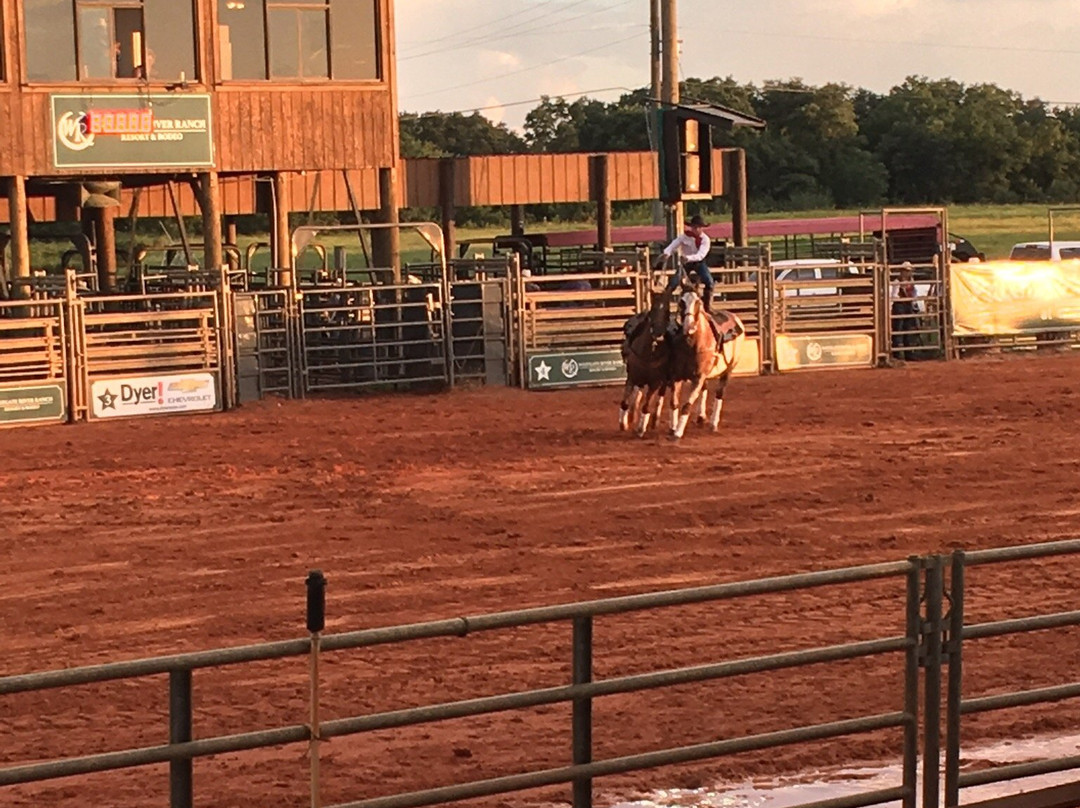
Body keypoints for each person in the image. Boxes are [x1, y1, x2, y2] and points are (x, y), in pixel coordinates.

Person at [655, 214, 715, 311]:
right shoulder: (684, 237)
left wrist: (687, 258)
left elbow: (701, 255)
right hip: (686, 263)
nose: (696, 229)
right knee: (673, 282)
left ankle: (707, 307)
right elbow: (673, 245)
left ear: (702, 228)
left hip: (698, 262)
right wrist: (667, 253)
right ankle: (664, 307)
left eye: (698, 227)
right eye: (694, 227)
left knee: (709, 282)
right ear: (691, 227)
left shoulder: (705, 240)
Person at [891, 262, 919, 359]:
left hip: (908, 305)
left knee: (907, 329)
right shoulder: (897, 281)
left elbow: (914, 292)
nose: (908, 273)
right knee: (898, 329)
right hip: (899, 306)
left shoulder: (911, 281)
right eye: (906, 271)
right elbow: (894, 296)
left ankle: (908, 353)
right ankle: (897, 353)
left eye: (909, 271)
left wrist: (913, 302)